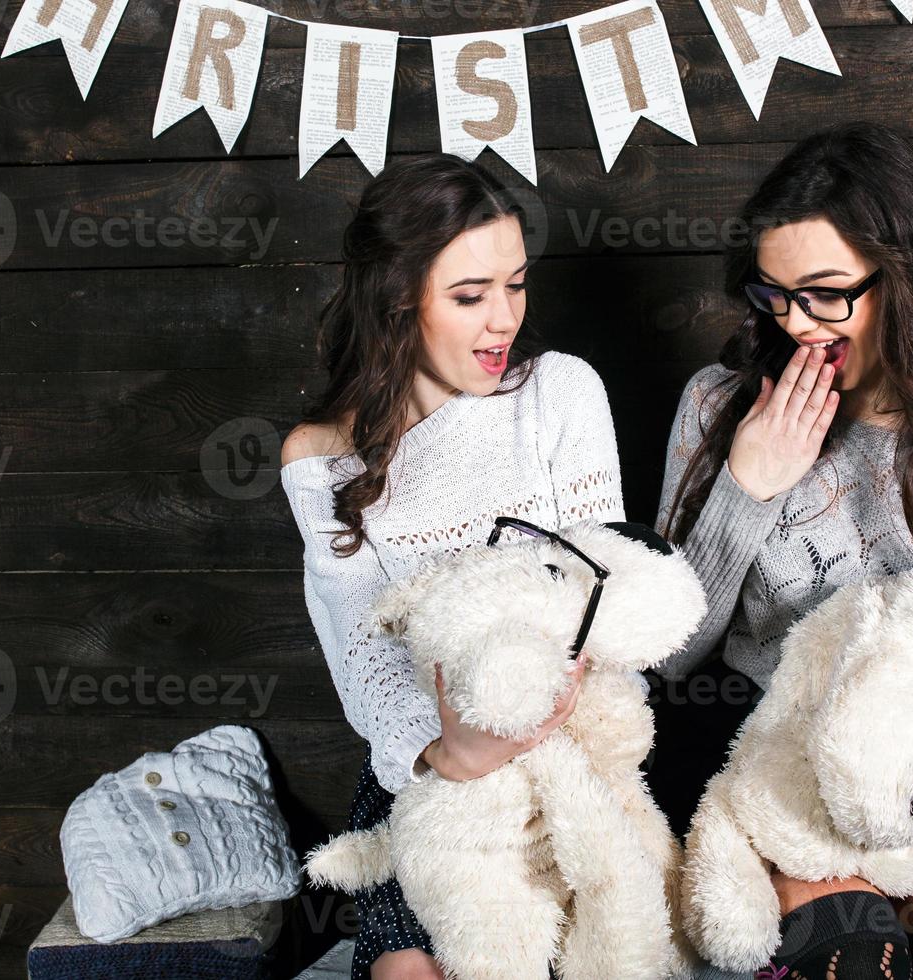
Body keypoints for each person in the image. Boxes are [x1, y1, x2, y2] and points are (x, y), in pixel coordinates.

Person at [649, 122, 913, 979]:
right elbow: (662, 658)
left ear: (907, 278)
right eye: (774, 293)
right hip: (765, 751)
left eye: (826, 293)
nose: (798, 323)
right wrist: (747, 489)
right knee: (848, 945)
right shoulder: (717, 404)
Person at [280, 153, 625, 980]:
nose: (502, 319)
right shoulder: (319, 458)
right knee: (409, 971)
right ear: (397, 301)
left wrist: (534, 732)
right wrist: (445, 753)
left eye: (515, 284)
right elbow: (361, 659)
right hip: (425, 775)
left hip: (566, 751)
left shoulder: (559, 395)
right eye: (470, 297)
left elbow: (602, 589)